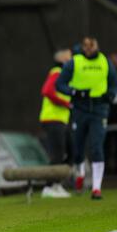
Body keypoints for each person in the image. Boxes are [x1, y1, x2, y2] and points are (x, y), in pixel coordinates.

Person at [56, 37, 117, 200]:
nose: (89, 49)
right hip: (80, 108)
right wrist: (75, 92)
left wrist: (109, 96)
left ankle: (96, 188)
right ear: (83, 48)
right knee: (78, 148)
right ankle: (81, 173)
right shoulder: (75, 62)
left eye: (92, 46)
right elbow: (60, 84)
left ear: (96, 46)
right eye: (87, 47)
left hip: (99, 109)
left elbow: (114, 82)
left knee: (96, 146)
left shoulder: (104, 62)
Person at [39, 49, 73, 198]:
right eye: (70, 56)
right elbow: (47, 90)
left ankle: (57, 184)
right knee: (57, 154)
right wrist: (65, 103)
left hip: (61, 120)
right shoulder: (57, 71)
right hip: (53, 118)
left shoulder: (64, 74)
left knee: (71, 152)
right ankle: (49, 187)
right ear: (63, 58)